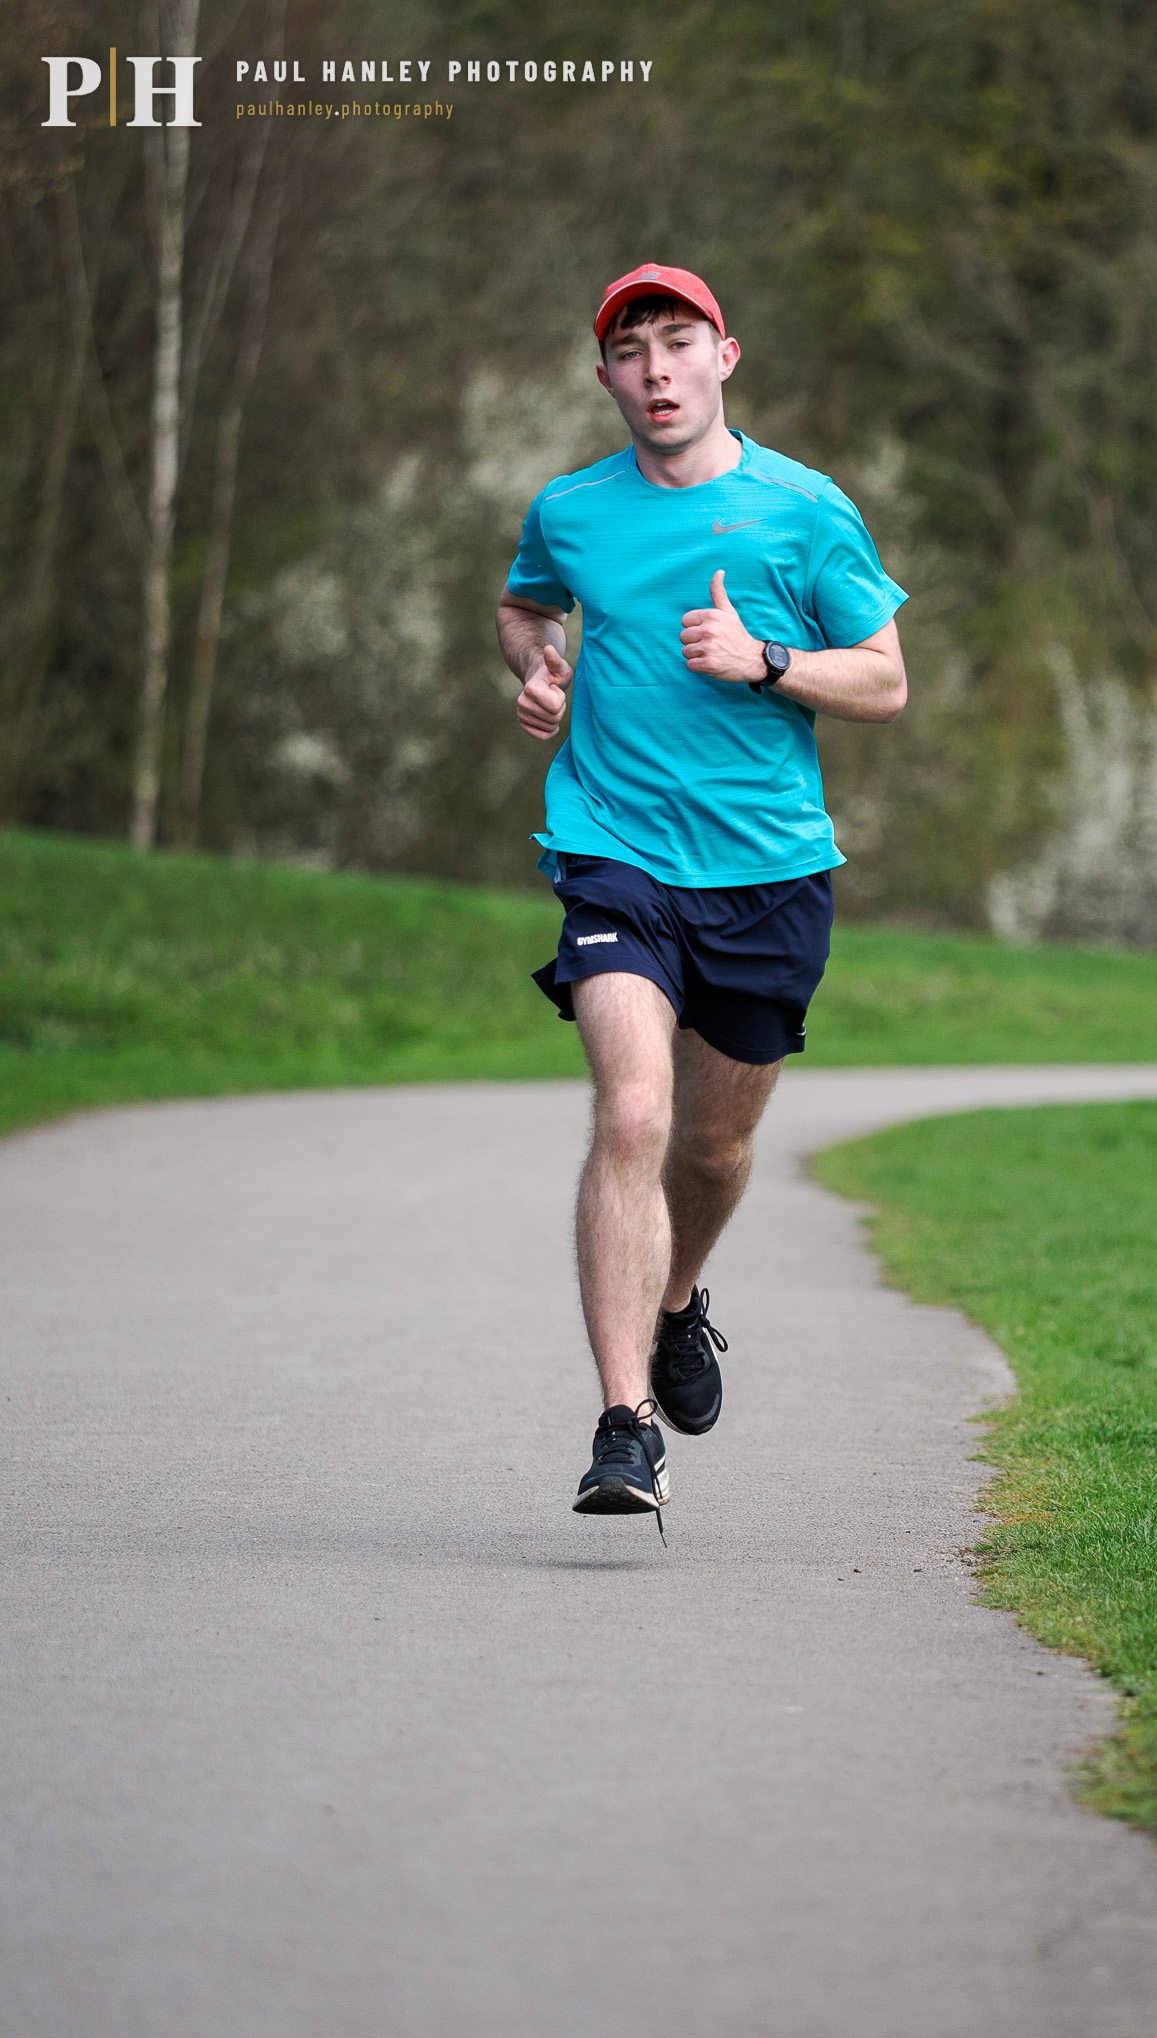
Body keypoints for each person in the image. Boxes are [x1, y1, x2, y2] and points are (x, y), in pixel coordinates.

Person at [496, 263, 908, 1533]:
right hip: (613, 849)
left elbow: (886, 680)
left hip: (770, 872)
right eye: (634, 352)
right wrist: (541, 667)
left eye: (681, 344)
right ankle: (625, 1426)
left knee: (713, 1146)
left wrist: (769, 660)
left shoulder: (806, 510)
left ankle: (680, 1301)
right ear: (605, 376)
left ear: (726, 355)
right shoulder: (572, 510)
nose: (658, 370)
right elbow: (523, 605)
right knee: (632, 1111)